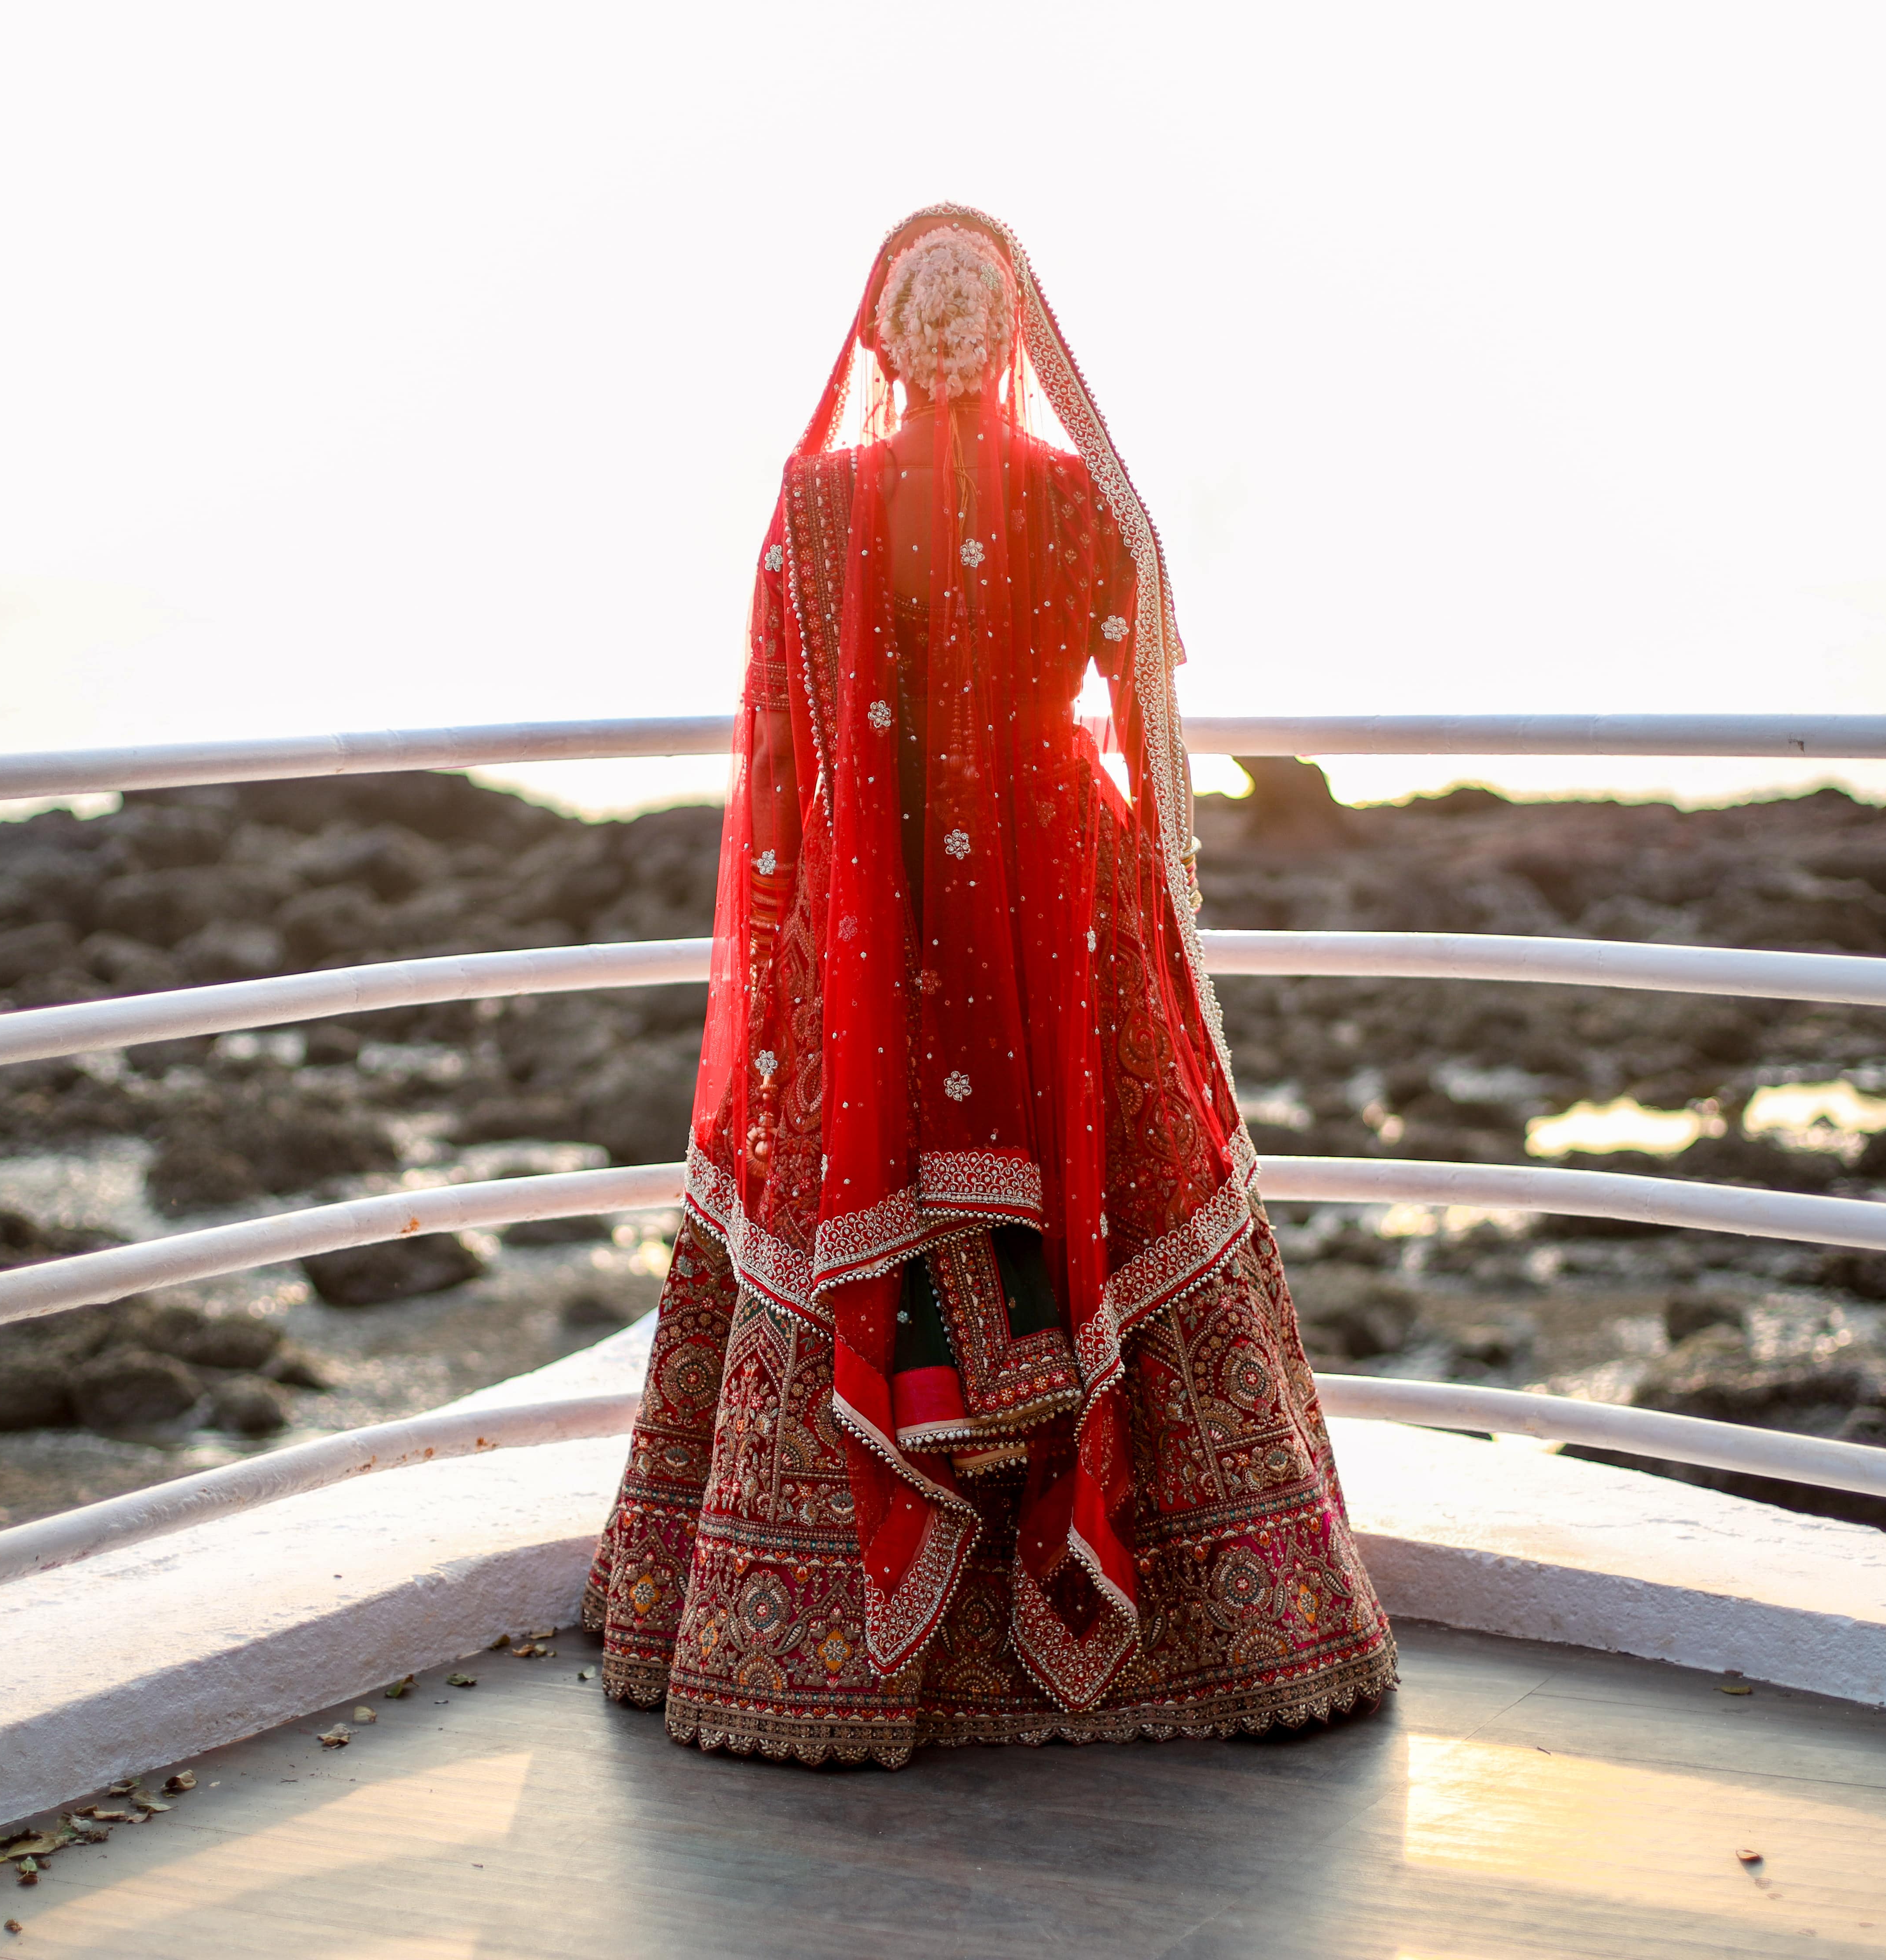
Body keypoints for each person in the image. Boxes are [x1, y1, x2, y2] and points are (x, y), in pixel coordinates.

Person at [583, 205, 1396, 1765]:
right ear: (1013, 335)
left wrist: (820, 932)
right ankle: (1213, 1620)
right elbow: (1144, 677)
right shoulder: (1080, 502)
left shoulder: (814, 509)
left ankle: (826, 1646)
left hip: (871, 935)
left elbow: (775, 761)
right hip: (1065, 916)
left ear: (881, 335)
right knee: (1120, 1202)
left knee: (859, 1200)